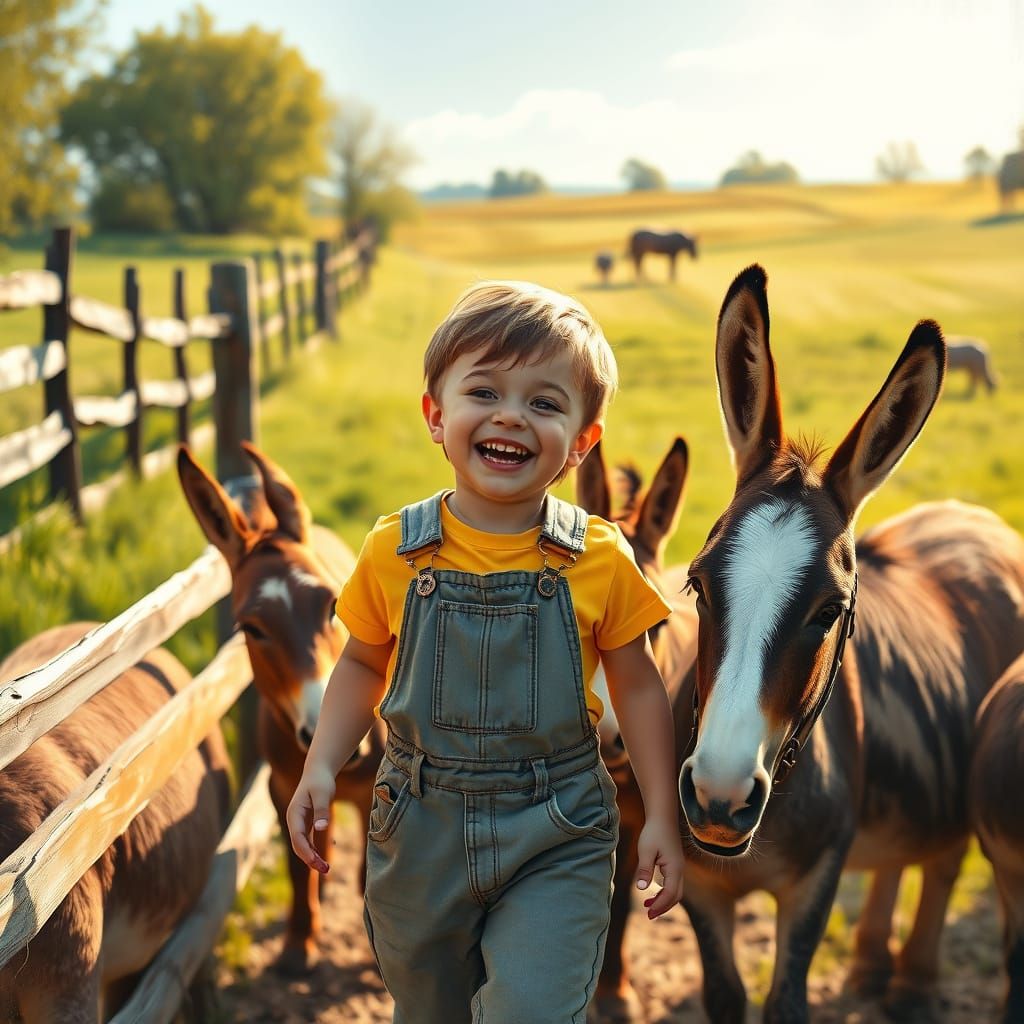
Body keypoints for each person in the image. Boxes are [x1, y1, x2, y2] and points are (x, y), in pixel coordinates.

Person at [286, 280, 684, 1023]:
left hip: (557, 826)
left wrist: (660, 809)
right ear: (436, 415)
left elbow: (639, 688)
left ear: (583, 442)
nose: (511, 415)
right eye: (485, 392)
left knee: (531, 1007)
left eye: (545, 402)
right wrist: (319, 764)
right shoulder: (394, 551)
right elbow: (364, 663)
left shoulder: (598, 556)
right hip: (419, 826)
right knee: (428, 1006)